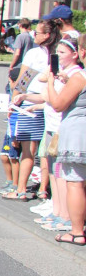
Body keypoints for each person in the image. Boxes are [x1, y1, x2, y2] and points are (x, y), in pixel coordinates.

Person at [6, 20, 61, 200]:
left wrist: (13, 103)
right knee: (44, 152)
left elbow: (23, 81)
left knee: (28, 151)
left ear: (46, 36)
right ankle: (43, 189)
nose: (33, 36)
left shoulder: (34, 54)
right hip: (49, 103)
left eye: (37, 33)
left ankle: (21, 189)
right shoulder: (56, 55)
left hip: (30, 101)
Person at [46, 34, 86, 245]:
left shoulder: (81, 76)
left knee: (75, 184)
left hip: (78, 136)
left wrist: (51, 84)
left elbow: (58, 104)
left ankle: (77, 232)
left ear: (82, 52)